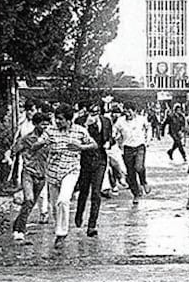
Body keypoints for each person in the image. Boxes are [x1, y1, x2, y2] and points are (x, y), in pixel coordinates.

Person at [45, 104, 97, 249]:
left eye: (61, 119)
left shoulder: (80, 131)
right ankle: (59, 228)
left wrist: (81, 147)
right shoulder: (50, 131)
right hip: (52, 172)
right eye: (56, 118)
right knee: (55, 206)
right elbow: (41, 142)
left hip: (71, 170)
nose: (58, 121)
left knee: (63, 200)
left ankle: (61, 234)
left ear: (69, 120)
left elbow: (93, 144)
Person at [10, 110, 51, 243]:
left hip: (42, 175)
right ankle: (20, 230)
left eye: (47, 124)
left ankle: (17, 225)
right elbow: (13, 151)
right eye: (42, 124)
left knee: (31, 204)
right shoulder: (26, 138)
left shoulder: (50, 139)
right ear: (35, 124)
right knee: (28, 200)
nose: (45, 127)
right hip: (28, 172)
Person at [75, 103, 112, 237]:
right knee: (84, 191)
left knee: (96, 192)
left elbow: (110, 137)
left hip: (100, 159)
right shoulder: (80, 121)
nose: (93, 116)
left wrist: (109, 142)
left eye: (96, 113)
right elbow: (76, 137)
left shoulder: (106, 121)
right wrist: (86, 125)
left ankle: (92, 224)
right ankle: (79, 215)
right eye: (91, 113)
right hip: (85, 160)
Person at [116, 104, 151, 203]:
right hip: (127, 148)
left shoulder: (141, 119)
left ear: (135, 111)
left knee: (139, 166)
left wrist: (147, 140)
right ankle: (136, 193)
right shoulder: (120, 121)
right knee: (130, 173)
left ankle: (144, 182)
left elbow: (149, 128)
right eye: (126, 112)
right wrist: (116, 138)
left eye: (130, 112)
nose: (128, 114)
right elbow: (115, 131)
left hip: (140, 146)